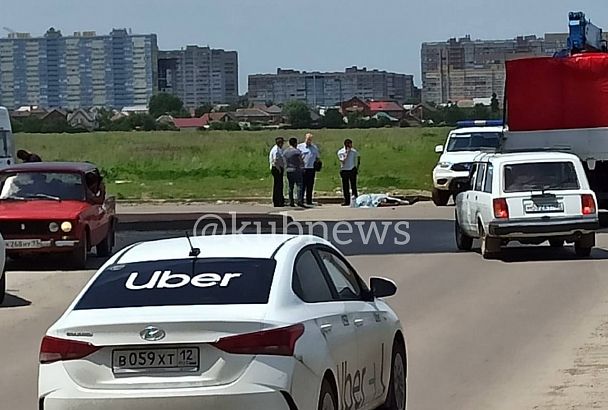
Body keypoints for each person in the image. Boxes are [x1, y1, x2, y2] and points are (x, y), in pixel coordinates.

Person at [297, 133, 320, 206]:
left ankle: (309, 200)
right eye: (308, 139)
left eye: (310, 139)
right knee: (302, 185)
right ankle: (301, 200)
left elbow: (317, 157)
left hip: (311, 169)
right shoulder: (300, 146)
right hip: (303, 168)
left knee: (310, 185)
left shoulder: (314, 148)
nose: (309, 141)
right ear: (305, 139)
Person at [337, 139, 360, 206]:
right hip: (344, 170)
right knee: (345, 186)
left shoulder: (354, 151)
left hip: (352, 169)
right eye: (349, 144)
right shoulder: (340, 152)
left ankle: (356, 200)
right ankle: (347, 201)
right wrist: (347, 153)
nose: (350, 146)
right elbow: (342, 161)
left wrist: (356, 168)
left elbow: (358, 158)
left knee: (353, 185)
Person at [283, 137, 305, 207]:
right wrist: (303, 167)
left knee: (290, 186)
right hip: (296, 169)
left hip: (289, 170)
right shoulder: (297, 152)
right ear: (295, 143)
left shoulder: (285, 152)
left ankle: (291, 201)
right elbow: (301, 160)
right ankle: (299, 201)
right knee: (299, 185)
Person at [268, 137, 286, 207]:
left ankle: (280, 200)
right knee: (277, 186)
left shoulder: (279, 149)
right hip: (276, 168)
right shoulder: (276, 150)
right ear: (280, 143)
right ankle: (277, 201)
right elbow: (275, 161)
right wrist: (279, 169)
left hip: (279, 168)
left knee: (280, 185)